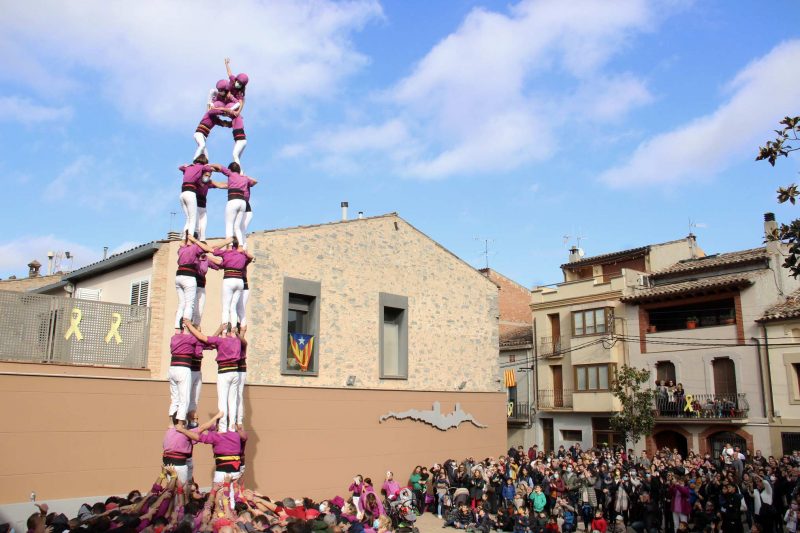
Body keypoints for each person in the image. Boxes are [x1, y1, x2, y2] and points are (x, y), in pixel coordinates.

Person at [183, 320, 242, 432]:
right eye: (197, 331)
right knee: (186, 396)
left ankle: (225, 427)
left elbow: (208, 341)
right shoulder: (236, 341)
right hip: (191, 371)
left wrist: (219, 330)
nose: (199, 332)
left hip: (218, 371)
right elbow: (207, 339)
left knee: (196, 398)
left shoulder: (219, 341)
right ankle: (231, 425)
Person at [177, 412, 247, 483]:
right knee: (233, 492)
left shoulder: (217, 436)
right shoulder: (237, 435)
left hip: (222, 472)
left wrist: (183, 430)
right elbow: (244, 436)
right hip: (236, 470)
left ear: (219, 425)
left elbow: (198, 437)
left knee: (218, 491)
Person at [174, 233, 215, 332]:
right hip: (190, 279)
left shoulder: (202, 258)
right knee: (190, 305)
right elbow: (210, 249)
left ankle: (187, 326)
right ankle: (185, 326)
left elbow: (217, 264)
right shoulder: (194, 251)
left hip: (195, 283)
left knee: (194, 308)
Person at [213, 236, 253, 330]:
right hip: (240, 282)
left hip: (229, 279)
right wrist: (244, 250)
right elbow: (251, 258)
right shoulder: (243, 255)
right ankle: (234, 329)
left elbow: (214, 249)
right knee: (234, 308)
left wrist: (227, 241)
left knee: (226, 307)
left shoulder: (227, 253)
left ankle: (224, 330)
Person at [194, 79, 241, 161]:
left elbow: (224, 124)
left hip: (204, 136)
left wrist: (235, 121)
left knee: (206, 157)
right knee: (202, 146)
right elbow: (216, 110)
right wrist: (226, 111)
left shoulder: (215, 119)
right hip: (199, 134)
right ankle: (194, 161)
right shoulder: (210, 112)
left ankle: (204, 167)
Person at [217, 163, 257, 248]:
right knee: (238, 228)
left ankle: (230, 246)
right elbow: (220, 185)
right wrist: (244, 177)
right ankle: (241, 246)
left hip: (239, 203)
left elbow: (219, 167)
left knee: (232, 225)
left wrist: (208, 166)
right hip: (243, 204)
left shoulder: (233, 176)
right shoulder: (241, 180)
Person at [167, 327, 200, 427]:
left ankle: (171, 423)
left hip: (172, 368)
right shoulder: (190, 338)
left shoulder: (174, 338)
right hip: (183, 368)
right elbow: (201, 339)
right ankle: (180, 423)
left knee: (175, 398)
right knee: (184, 399)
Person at [223, 58, 249, 167]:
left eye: (240, 84)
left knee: (235, 155)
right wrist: (227, 64)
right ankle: (239, 172)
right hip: (226, 101)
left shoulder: (240, 93)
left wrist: (237, 111)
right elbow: (229, 73)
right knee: (236, 157)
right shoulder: (233, 81)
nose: (238, 84)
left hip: (232, 104)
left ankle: (238, 174)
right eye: (238, 82)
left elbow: (241, 102)